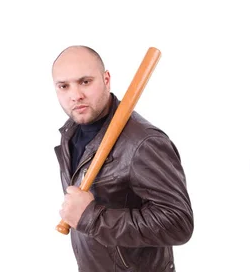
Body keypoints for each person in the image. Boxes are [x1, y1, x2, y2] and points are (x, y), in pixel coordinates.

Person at [52, 45, 194, 272]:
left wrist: (92, 217)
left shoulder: (143, 143)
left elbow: (178, 223)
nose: (75, 95)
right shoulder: (71, 133)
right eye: (64, 86)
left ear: (106, 79)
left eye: (85, 82)